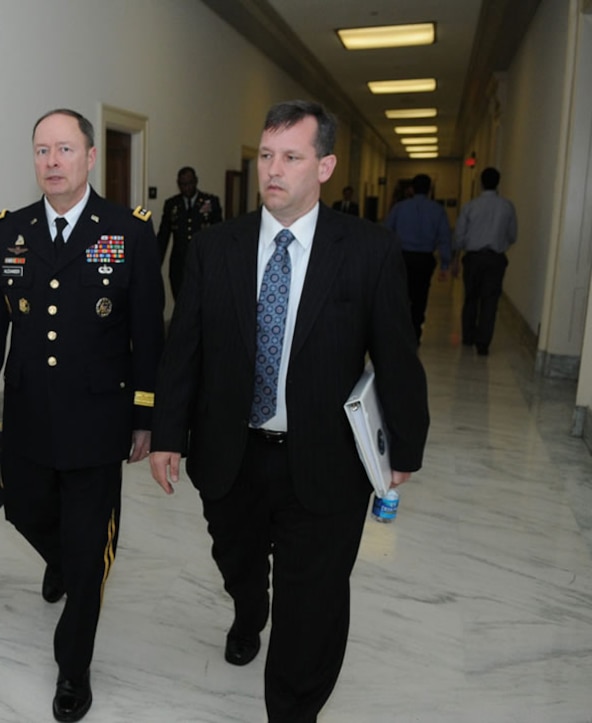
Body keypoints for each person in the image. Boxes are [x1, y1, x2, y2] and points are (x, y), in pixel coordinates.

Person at [149, 100, 429, 723]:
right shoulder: (215, 247)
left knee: (314, 605)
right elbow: (183, 351)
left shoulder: (367, 250)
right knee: (239, 564)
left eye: (292, 158)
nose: (273, 170)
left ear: (324, 166)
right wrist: (168, 432)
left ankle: (293, 710)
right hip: (231, 454)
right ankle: (250, 609)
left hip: (327, 460)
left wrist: (402, 450)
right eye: (266, 156)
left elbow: (397, 356)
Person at [0, 109, 164, 722]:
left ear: (90, 157)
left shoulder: (128, 230)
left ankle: (73, 668)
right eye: (42, 150)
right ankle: (65, 561)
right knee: (23, 508)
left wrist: (146, 415)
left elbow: (148, 335)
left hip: (99, 420)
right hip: (28, 414)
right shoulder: (9, 231)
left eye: (65, 149)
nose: (52, 161)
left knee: (85, 546)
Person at [455, 167, 517, 355]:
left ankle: (468, 337)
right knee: (490, 301)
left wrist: (456, 256)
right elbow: (513, 235)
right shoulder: (507, 206)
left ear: (481, 183)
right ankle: (483, 344)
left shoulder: (470, 206)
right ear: (498, 183)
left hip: (473, 258)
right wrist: (500, 244)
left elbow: (459, 236)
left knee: (471, 298)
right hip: (495, 259)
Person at [384, 173, 452, 342]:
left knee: (401, 294)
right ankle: (415, 330)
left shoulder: (399, 208)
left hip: (402, 257)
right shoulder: (437, 210)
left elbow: (386, 232)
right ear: (429, 189)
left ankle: (400, 329)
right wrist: (445, 264)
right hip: (425, 259)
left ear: (412, 189)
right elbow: (444, 237)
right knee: (421, 294)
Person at [157, 166, 223, 298]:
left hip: (203, 262)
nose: (186, 188)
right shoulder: (172, 204)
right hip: (179, 264)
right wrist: (155, 263)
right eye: (183, 184)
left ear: (196, 181)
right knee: (181, 301)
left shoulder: (210, 202)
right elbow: (163, 237)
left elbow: (219, 235)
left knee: (202, 302)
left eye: (189, 183)